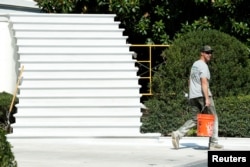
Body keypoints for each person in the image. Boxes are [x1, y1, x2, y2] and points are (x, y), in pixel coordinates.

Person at [171, 45, 223, 150]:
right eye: (207, 52)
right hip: (202, 95)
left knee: (195, 118)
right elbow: (204, 82)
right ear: (202, 53)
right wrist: (207, 98)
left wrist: (190, 94)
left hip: (193, 95)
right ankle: (213, 143)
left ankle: (178, 134)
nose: (209, 55)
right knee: (214, 117)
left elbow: (190, 80)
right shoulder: (203, 66)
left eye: (210, 53)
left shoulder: (195, 64)